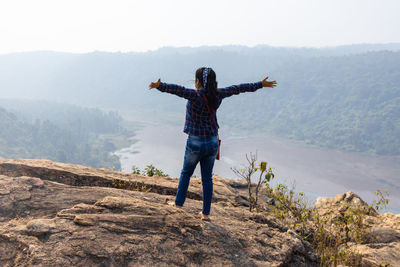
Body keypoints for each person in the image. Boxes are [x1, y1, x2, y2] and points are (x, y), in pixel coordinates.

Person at [149, 67, 277, 221]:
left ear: (197, 81)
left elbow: (177, 90)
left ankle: (178, 205)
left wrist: (160, 86)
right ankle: (205, 214)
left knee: (186, 173)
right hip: (212, 141)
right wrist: (260, 84)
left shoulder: (194, 95)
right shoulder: (218, 94)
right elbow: (238, 89)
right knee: (207, 178)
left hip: (195, 141)